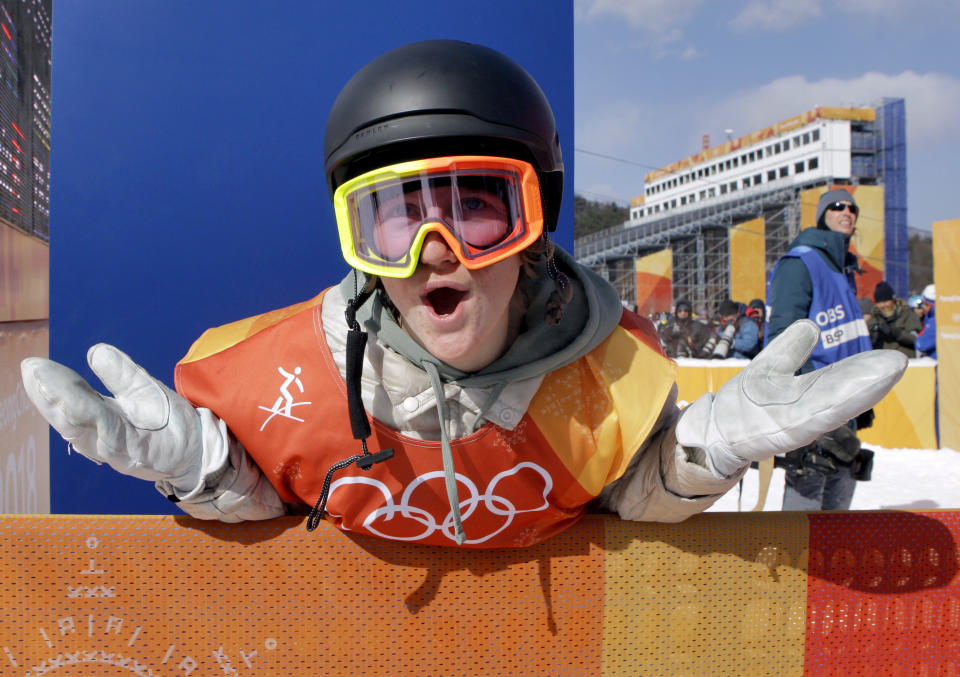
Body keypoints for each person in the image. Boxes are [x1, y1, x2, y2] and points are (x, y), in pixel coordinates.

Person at [19, 41, 906, 548]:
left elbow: (629, 503)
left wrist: (696, 458)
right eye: (396, 221)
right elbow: (269, 501)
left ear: (535, 231)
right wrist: (203, 470)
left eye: (479, 211)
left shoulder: (607, 378)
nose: (436, 255)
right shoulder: (294, 376)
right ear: (361, 250)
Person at [766, 188, 878, 511]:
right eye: (838, 207)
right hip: (816, 408)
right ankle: (796, 563)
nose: (847, 213)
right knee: (805, 509)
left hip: (848, 406)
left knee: (836, 518)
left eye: (853, 209)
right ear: (822, 216)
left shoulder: (843, 271)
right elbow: (783, 339)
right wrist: (806, 404)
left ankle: (830, 564)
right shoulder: (801, 262)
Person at [866, 281, 922, 357]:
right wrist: (872, 337)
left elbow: (916, 340)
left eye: (885, 301)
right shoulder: (874, 318)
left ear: (893, 300)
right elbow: (864, 345)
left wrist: (895, 332)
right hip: (881, 361)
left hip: (906, 360)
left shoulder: (907, 314)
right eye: (879, 302)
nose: (883, 305)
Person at [915, 284, 936, 359]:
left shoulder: (935, 320)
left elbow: (922, 344)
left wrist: (917, 341)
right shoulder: (930, 316)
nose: (923, 308)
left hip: (937, 361)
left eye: (925, 304)